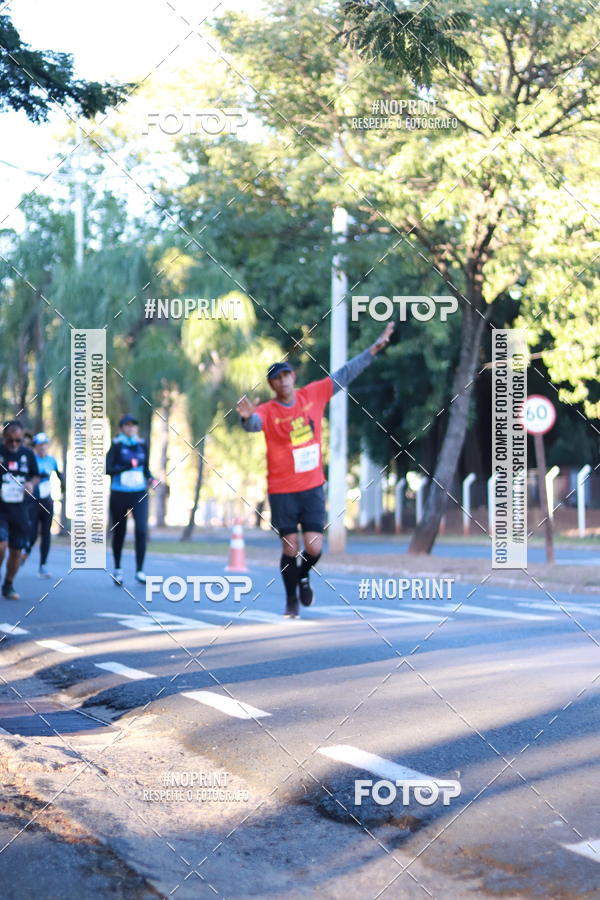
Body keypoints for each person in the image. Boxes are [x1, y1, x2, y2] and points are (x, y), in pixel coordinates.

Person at [236, 323, 394, 617]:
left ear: (292, 377)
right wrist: (246, 419)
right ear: (271, 386)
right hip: (282, 489)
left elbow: (345, 373)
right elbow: (253, 424)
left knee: (313, 547)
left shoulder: (314, 394)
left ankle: (304, 575)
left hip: (311, 486)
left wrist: (374, 348)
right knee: (289, 547)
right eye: (276, 379)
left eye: (285, 375)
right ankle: (291, 600)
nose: (282, 381)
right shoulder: (267, 411)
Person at [106, 414, 155, 586]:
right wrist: (125, 467)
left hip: (139, 493)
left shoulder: (142, 445)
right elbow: (108, 469)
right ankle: (118, 569)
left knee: (141, 530)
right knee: (119, 532)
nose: (131, 428)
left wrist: (151, 479)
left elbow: (145, 469)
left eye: (133, 425)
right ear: (121, 429)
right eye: (127, 426)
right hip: (119, 493)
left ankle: (140, 570)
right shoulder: (116, 445)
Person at [0, 421, 39, 600]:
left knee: (16, 550)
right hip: (1, 509)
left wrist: (31, 483)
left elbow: (35, 475)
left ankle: (8, 584)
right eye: (11, 441)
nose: (15, 444)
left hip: (20, 509)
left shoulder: (28, 454)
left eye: (18, 441)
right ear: (4, 438)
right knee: (1, 545)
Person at [27, 433, 64, 577]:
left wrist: (63, 485)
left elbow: (58, 475)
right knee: (33, 533)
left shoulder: (51, 460)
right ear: (35, 447)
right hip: (32, 501)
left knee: (46, 533)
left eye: (45, 445)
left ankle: (43, 565)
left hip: (47, 501)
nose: (43, 448)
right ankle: (24, 553)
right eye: (39, 445)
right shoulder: (31, 460)